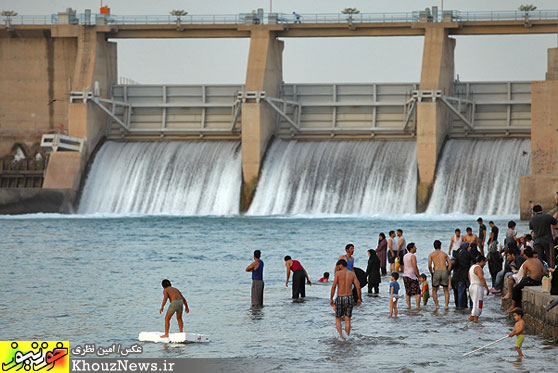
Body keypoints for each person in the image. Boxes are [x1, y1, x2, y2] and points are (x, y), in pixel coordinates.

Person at [506, 247, 547, 313]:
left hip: (532, 281)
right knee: (519, 286)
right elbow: (544, 272)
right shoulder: (538, 260)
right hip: (539, 281)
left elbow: (524, 276)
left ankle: (513, 306)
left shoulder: (526, 263)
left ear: (525, 255)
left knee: (515, 289)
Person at [330, 259, 361, 339]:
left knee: (338, 318)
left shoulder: (338, 274)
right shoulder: (352, 274)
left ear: (340, 265)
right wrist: (359, 298)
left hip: (340, 297)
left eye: (338, 266)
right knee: (347, 319)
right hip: (349, 297)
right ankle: (347, 337)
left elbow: (333, 286)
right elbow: (358, 287)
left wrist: (331, 298)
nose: (337, 268)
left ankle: (340, 337)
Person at [428, 239, 452, 310]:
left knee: (434, 290)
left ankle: (437, 306)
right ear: (440, 246)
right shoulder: (444, 254)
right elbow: (450, 264)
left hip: (436, 271)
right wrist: (447, 272)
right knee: (446, 290)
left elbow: (429, 265)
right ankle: (446, 306)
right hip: (444, 271)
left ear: (434, 246)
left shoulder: (431, 255)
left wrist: (431, 272)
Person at [468, 255, 490, 322]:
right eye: (484, 262)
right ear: (481, 261)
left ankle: (473, 317)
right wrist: (486, 288)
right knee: (478, 303)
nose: (485, 264)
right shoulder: (478, 268)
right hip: (477, 287)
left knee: (475, 303)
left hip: (472, 286)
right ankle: (475, 319)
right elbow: (481, 278)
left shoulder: (471, 267)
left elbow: (469, 277)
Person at [452, 242, 473, 309]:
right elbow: (474, 260)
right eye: (468, 247)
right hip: (468, 275)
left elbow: (455, 265)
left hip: (460, 275)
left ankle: (461, 307)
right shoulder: (468, 254)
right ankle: (472, 306)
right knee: (471, 292)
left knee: (460, 292)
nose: (470, 248)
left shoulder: (458, 254)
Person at [402, 242, 421, 310]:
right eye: (415, 247)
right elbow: (414, 266)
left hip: (405, 275)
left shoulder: (405, 256)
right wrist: (418, 276)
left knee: (408, 292)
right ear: (411, 248)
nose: (416, 248)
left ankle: (409, 306)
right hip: (411, 275)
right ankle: (417, 306)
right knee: (418, 292)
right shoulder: (412, 256)